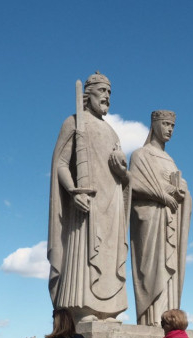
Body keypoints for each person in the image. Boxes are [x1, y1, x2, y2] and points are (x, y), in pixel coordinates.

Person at [47, 71, 130, 322]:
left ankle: (108, 309)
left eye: (109, 92)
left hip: (112, 202)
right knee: (85, 252)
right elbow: (61, 163)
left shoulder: (112, 132)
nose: (107, 96)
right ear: (88, 93)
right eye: (102, 90)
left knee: (109, 255)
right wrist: (73, 191)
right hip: (87, 200)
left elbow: (123, 175)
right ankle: (84, 308)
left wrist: (122, 171)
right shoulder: (74, 122)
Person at [129, 110, 192, 326]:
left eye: (172, 126)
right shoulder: (140, 155)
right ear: (154, 125)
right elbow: (133, 185)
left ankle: (169, 318)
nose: (170, 129)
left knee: (169, 269)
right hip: (150, 220)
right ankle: (152, 318)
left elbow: (179, 191)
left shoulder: (170, 161)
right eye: (165, 124)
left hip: (169, 220)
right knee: (151, 269)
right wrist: (162, 195)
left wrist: (182, 191)